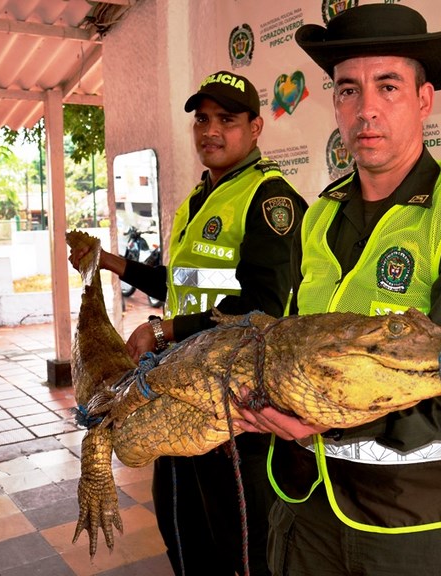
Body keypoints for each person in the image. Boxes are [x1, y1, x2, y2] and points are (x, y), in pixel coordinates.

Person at [235, 4, 441, 575]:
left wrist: (328, 419)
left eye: (388, 85)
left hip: (418, 525)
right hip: (307, 506)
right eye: (349, 90)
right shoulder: (319, 215)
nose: (366, 110)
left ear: (424, 99)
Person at [70, 70, 307, 576]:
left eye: (227, 119)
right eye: (202, 119)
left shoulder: (270, 200)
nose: (211, 130)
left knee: (239, 544)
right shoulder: (201, 199)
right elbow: (181, 286)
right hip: (178, 390)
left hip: (236, 404)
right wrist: (112, 261)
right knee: (182, 527)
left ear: (256, 128)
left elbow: (265, 305)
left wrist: (165, 331)